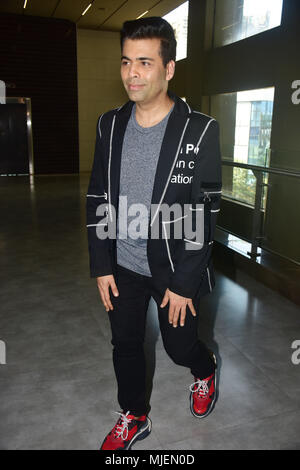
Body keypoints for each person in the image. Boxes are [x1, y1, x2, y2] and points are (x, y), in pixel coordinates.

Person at [86, 16, 222, 451]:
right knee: (125, 344)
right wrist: (101, 263)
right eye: (126, 62)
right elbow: (97, 195)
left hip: (173, 268)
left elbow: (204, 210)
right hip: (122, 263)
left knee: (180, 348)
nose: (132, 74)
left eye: (144, 62)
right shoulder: (109, 124)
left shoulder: (199, 130)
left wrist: (185, 283)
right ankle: (135, 415)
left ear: (169, 68)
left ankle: (204, 370)